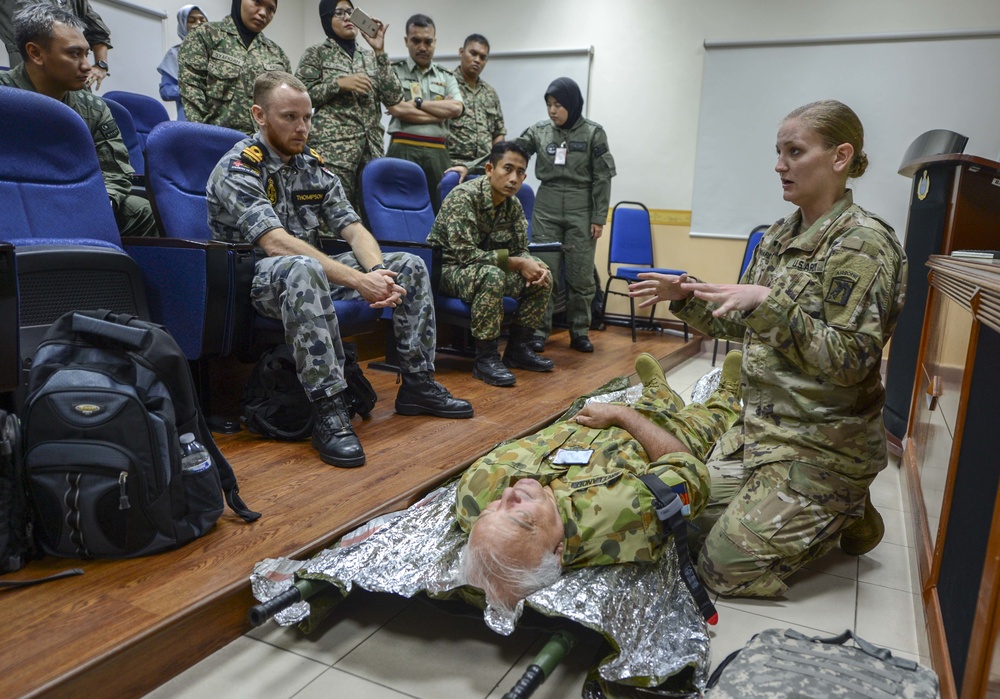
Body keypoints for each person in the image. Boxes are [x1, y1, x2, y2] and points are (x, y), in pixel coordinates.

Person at [629, 100, 907, 598]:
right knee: (675, 526)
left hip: (822, 448)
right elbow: (748, 320)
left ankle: (844, 509)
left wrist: (770, 304)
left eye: (794, 151)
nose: (779, 165)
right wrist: (687, 295)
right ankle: (827, 510)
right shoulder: (780, 235)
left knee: (720, 569)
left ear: (840, 157)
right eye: (778, 152)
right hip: (761, 434)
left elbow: (853, 362)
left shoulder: (864, 245)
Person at [207, 71, 473, 468]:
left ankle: (418, 383)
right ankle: (328, 410)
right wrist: (357, 280)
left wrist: (379, 273)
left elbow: (353, 228)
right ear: (259, 116)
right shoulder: (239, 167)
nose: (302, 128)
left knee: (410, 265)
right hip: (255, 279)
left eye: (308, 117)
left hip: (312, 273)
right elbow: (274, 242)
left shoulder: (313, 166)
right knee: (299, 266)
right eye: (290, 117)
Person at [456, 351, 743, 613]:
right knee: (704, 420)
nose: (508, 495)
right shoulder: (626, 514)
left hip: (596, 424)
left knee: (651, 401)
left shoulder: (475, 496)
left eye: (491, 511)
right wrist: (623, 416)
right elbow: (688, 467)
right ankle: (727, 397)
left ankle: (659, 393)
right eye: (520, 517)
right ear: (558, 551)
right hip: (663, 433)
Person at [448, 77, 616, 354]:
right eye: (549, 105)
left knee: (580, 276)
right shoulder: (540, 131)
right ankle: (537, 333)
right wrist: (468, 165)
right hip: (547, 205)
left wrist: (599, 217)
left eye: (559, 105)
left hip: (581, 207)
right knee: (543, 271)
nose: (552, 111)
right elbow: (508, 152)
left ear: (572, 105)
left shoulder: (593, 133)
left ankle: (580, 332)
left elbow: (603, 178)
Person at [2, 4, 157, 237]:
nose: (87, 66)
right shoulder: (5, 96)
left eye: (86, 54)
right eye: (74, 54)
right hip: (12, 200)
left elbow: (114, 172)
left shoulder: (93, 108)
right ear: (35, 53)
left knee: (140, 210)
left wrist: (93, 205)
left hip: (74, 201)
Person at [427, 141, 552, 387]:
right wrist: (517, 263)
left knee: (542, 274)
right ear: (489, 169)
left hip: (485, 269)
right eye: (507, 169)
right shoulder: (464, 197)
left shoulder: (513, 205)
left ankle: (518, 349)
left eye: (520, 172)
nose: (514, 178)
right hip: (448, 270)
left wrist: (532, 265)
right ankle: (485, 359)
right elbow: (465, 255)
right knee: (492, 275)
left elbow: (520, 250)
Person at [295, 0, 402, 212]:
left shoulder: (371, 57)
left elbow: (394, 97)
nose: (347, 18)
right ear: (327, 19)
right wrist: (338, 84)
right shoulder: (316, 53)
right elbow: (300, 96)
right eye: (339, 13)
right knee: (332, 213)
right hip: (334, 150)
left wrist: (380, 52)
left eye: (351, 12)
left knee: (371, 215)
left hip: (371, 151)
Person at [385, 13, 463, 210]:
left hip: (437, 152)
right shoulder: (394, 71)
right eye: (416, 40)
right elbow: (396, 108)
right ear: (406, 40)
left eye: (428, 41)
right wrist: (439, 113)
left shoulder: (446, 77)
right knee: (398, 207)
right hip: (402, 147)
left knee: (441, 210)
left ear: (435, 42)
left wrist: (417, 103)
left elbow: (456, 108)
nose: (422, 47)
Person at [178, 0, 290, 134]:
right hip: (219, 143)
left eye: (271, 9)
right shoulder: (205, 36)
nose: (263, 13)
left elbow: (287, 105)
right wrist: (201, 142)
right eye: (257, 2)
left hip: (264, 148)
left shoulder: (277, 54)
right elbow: (192, 94)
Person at [1, 0, 111, 89]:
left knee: (80, 113)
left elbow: (98, 32)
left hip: (73, 75)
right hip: (30, 73)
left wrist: (101, 65)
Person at [447, 33, 505, 166]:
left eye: (482, 57)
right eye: (473, 53)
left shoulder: (490, 92)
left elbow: (498, 133)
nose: (477, 60)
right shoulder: (446, 83)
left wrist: (496, 162)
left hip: (484, 166)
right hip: (453, 164)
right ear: (461, 52)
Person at [157, 4, 207, 121]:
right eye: (192, 20)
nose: (199, 23)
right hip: (189, 119)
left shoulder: (219, 52)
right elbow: (166, 91)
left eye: (202, 19)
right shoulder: (175, 54)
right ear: (183, 25)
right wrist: (192, 89)